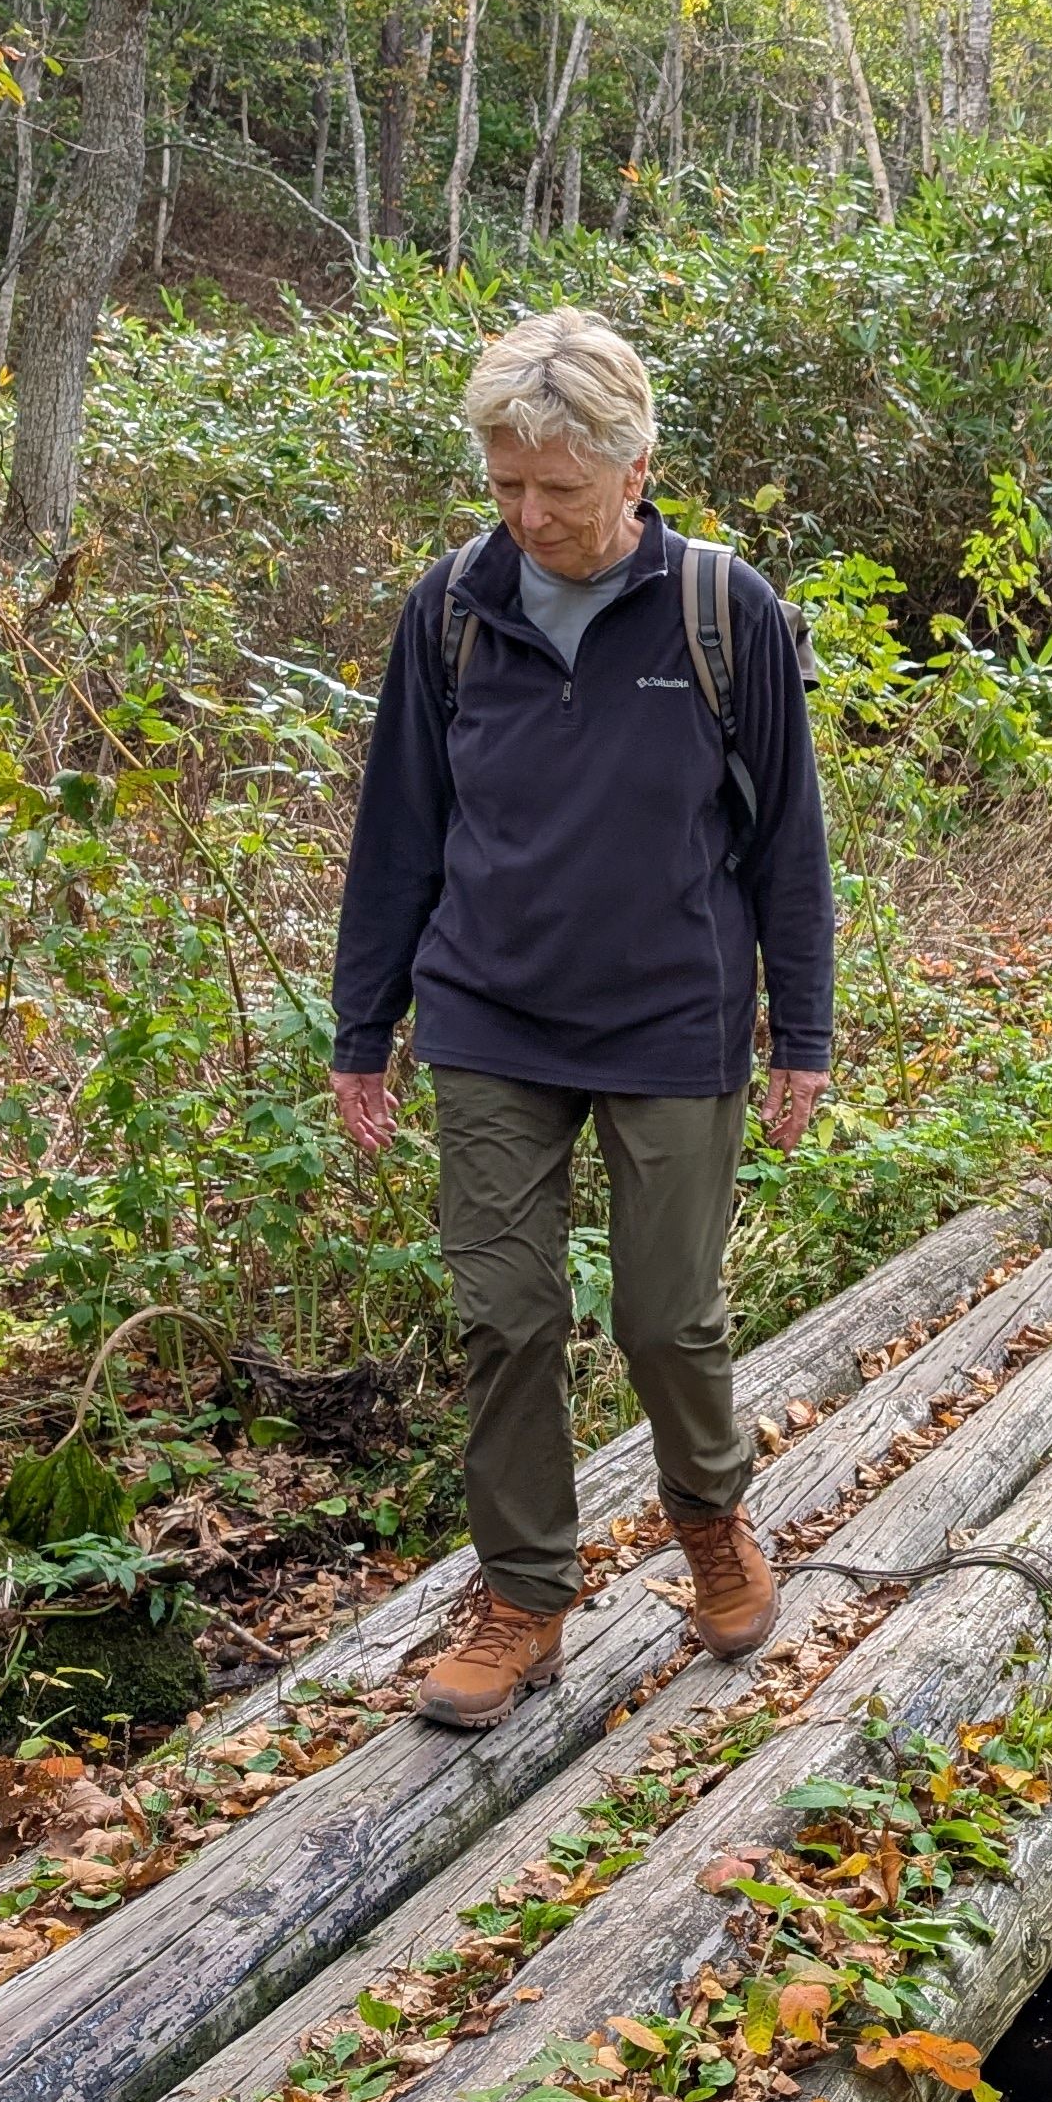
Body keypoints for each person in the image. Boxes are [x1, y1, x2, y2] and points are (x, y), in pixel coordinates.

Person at [329, 308, 831, 1730]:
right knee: (504, 1314)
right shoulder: (450, 610)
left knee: (668, 1317)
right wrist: (362, 1031)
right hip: (488, 1010)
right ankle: (525, 1595)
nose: (529, 516)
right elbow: (398, 832)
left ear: (634, 468)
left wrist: (803, 1029)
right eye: (504, 487)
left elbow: (789, 843)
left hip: (674, 1012)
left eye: (557, 488)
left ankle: (712, 1518)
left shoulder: (721, 611)